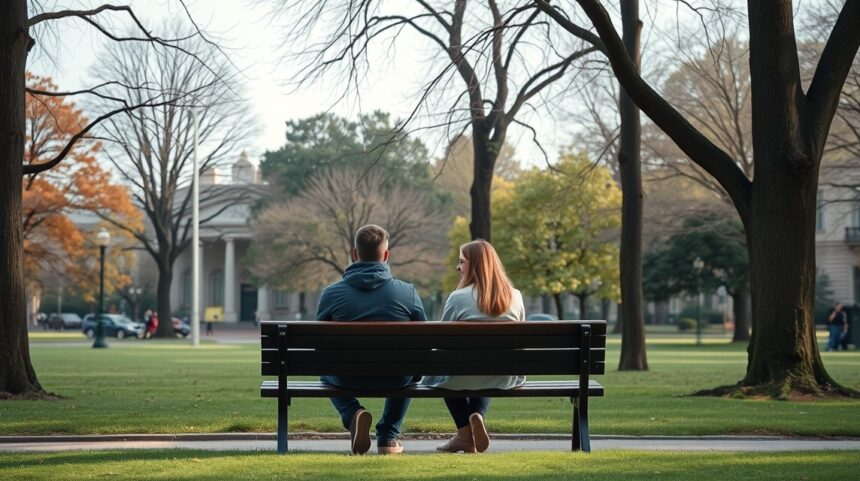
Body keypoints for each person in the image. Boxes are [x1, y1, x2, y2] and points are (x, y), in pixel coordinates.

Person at [316, 224, 426, 455]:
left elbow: (319, 343)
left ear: (355, 254)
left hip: (346, 377)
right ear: (386, 256)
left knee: (324, 368)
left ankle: (351, 413)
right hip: (396, 378)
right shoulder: (408, 293)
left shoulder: (331, 294)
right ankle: (387, 437)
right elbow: (423, 342)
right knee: (409, 367)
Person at [422, 239, 526, 454]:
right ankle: (477, 413)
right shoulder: (515, 296)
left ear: (475, 264)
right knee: (488, 366)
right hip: (503, 377)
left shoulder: (458, 298)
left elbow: (442, 343)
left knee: (447, 376)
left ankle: (464, 434)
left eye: (461, 262)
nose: (458, 267)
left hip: (460, 376)